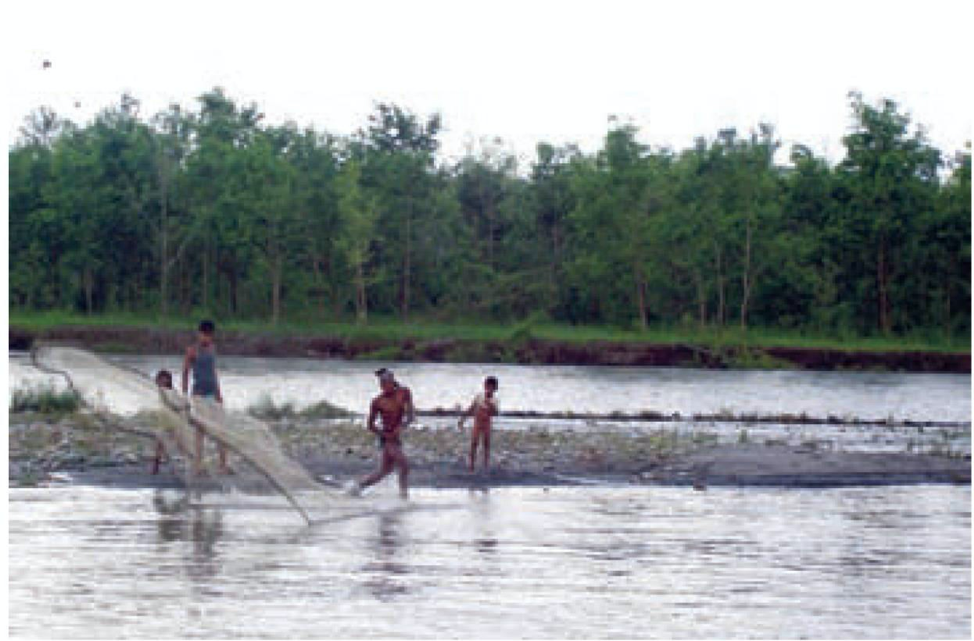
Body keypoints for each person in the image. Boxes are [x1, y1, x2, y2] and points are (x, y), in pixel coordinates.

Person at [349, 368, 414, 498]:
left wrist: (402, 426)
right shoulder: (377, 401)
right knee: (404, 464)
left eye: (387, 383)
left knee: (384, 471)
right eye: (382, 384)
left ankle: (358, 487)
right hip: (386, 437)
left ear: (392, 382)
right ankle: (403, 496)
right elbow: (370, 425)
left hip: (396, 435)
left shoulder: (404, 393)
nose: (384, 386)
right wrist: (385, 435)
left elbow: (410, 415)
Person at [181, 320, 227, 474]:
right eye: (204, 335)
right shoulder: (192, 351)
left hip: (212, 394)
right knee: (200, 431)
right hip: (198, 395)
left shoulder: (212, 349)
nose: (206, 338)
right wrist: (184, 396)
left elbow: (213, 372)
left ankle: (223, 464)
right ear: (199, 334)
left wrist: (219, 394)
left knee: (221, 429)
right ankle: (198, 465)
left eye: (209, 335)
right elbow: (185, 373)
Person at [458, 376, 499, 473]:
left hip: (487, 423)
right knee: (474, 443)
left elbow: (495, 413)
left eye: (491, 387)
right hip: (478, 421)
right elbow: (471, 408)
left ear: (495, 389)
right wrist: (463, 419)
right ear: (485, 386)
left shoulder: (495, 400)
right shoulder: (479, 396)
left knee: (486, 443)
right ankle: (471, 465)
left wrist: (491, 405)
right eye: (487, 386)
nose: (489, 389)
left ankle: (486, 464)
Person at [150, 369, 175, 475]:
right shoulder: (160, 390)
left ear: (169, 380)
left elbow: (174, 403)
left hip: (173, 420)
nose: (163, 381)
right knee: (160, 443)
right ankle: (156, 466)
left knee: (169, 444)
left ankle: (171, 466)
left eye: (165, 379)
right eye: (160, 379)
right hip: (163, 420)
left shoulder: (171, 391)